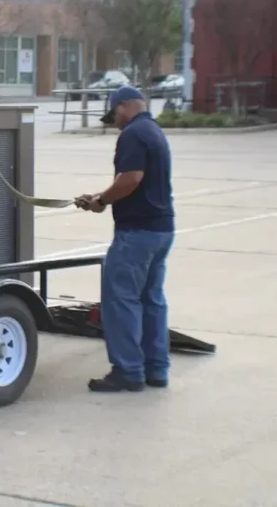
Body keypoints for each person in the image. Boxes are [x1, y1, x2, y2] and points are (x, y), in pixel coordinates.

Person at [75, 85, 174, 393]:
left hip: (137, 233)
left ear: (124, 107)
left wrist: (102, 201)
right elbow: (137, 182)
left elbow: (131, 178)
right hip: (161, 229)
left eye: (115, 114)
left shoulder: (132, 134)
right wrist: (99, 196)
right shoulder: (154, 131)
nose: (116, 122)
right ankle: (156, 369)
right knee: (151, 300)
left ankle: (128, 371)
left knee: (121, 300)